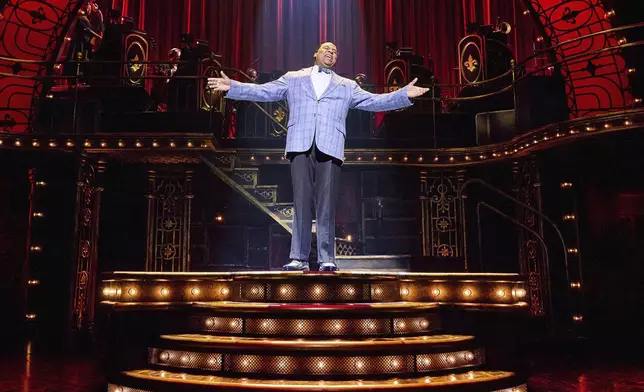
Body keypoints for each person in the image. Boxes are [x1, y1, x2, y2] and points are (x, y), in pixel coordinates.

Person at [207, 42, 428, 272]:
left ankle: (326, 258)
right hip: (300, 143)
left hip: (330, 145)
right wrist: (232, 86)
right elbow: (264, 91)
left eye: (335, 51)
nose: (331, 52)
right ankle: (298, 257)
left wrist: (403, 95)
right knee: (301, 202)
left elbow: (374, 101)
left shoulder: (347, 86)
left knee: (327, 205)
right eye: (326, 49)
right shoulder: (294, 78)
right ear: (316, 53)